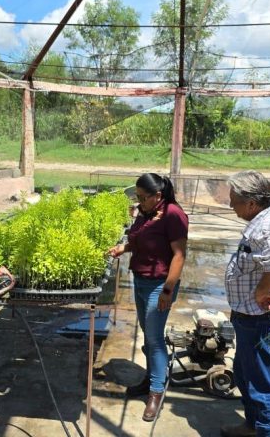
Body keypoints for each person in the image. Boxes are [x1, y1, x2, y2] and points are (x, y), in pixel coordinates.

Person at [221, 170, 270, 437]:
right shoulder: (264, 221)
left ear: (251, 203)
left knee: (262, 385)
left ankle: (266, 431)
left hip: (262, 320)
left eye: (234, 200)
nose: (231, 205)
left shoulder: (267, 228)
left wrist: (261, 292)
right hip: (250, 319)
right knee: (244, 373)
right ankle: (252, 427)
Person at [109, 173, 188, 422]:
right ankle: (152, 377)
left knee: (154, 339)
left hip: (160, 285)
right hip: (141, 280)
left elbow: (179, 255)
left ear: (158, 195)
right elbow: (140, 240)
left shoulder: (173, 214)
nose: (140, 202)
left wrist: (167, 290)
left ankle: (155, 391)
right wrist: (124, 247)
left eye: (144, 198)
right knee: (149, 335)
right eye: (138, 198)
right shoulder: (145, 213)